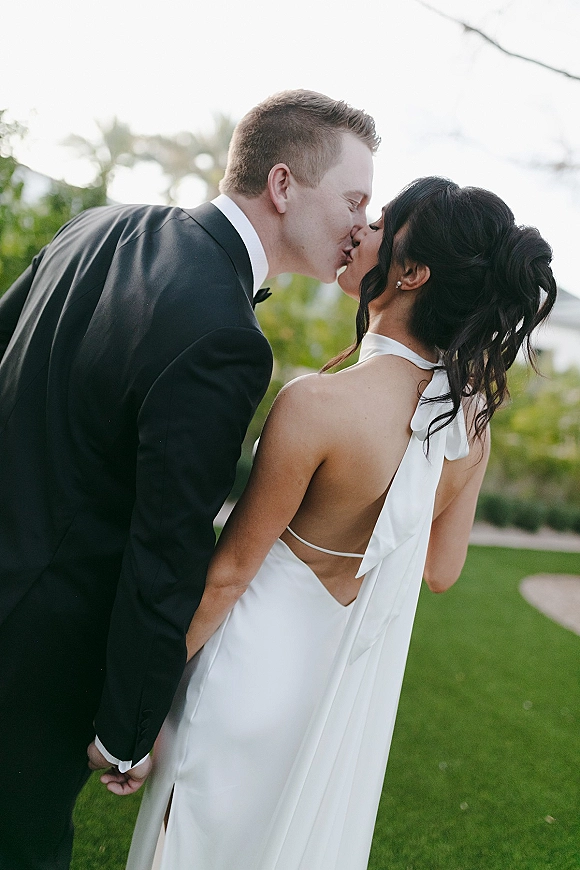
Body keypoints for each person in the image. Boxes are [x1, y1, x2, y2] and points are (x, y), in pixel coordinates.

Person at [126, 176, 557, 870]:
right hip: (327, 706)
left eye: (383, 224)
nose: (362, 230)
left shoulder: (318, 404)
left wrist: (134, 711)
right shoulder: (467, 434)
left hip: (242, 678)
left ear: (413, 272)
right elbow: (441, 572)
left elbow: (229, 574)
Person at [0, 90, 378, 870]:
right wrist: (128, 725)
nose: (359, 226)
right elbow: (166, 542)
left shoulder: (92, 227)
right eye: (355, 199)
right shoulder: (225, 337)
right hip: (36, 662)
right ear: (283, 185)